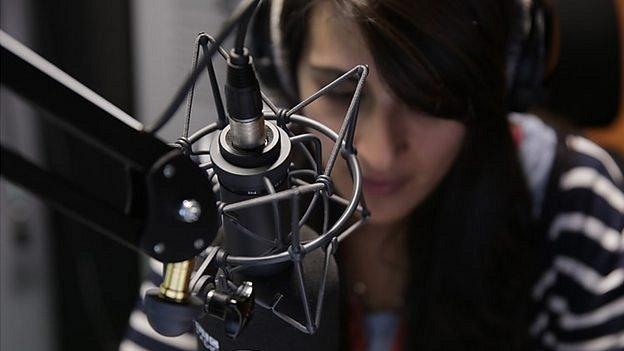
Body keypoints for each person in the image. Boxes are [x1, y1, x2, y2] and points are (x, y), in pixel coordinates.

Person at [121, 0, 624, 350]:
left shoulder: (572, 200)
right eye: (339, 95)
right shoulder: (229, 196)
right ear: (281, 67)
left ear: (496, 80)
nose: (380, 152)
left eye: (431, 100)